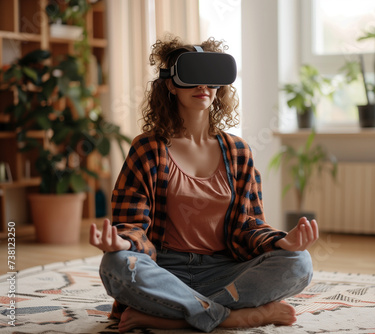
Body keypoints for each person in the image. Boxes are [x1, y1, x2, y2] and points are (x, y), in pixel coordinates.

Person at [89, 35, 319, 333]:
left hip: (224, 269)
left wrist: (281, 242)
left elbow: (249, 224)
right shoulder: (147, 149)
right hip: (163, 271)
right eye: (193, 77)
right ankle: (232, 316)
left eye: (211, 79)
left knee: (299, 263)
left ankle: (172, 315)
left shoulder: (238, 152)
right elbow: (132, 224)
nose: (203, 87)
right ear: (170, 84)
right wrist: (123, 243)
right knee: (115, 266)